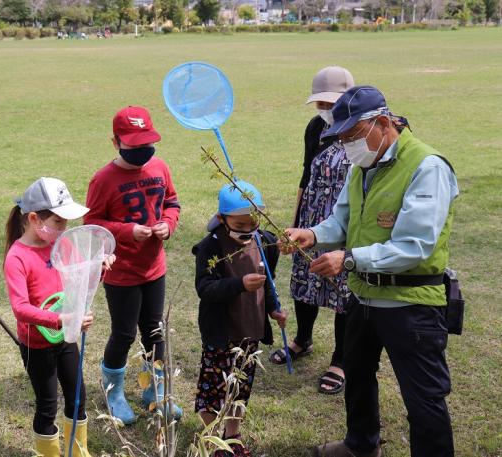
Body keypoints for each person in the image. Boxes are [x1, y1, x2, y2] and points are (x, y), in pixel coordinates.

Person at [279, 86, 458, 457]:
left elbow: (415, 245)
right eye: (341, 139)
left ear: (381, 123)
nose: (347, 147)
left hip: (410, 303)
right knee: (358, 375)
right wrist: (312, 234)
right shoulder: (363, 166)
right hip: (363, 296)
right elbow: (342, 220)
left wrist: (347, 260)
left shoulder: (427, 167)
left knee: (424, 399)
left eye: (351, 137)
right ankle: (361, 445)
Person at [84, 105, 182, 425]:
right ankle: (114, 391)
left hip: (154, 267)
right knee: (124, 333)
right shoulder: (103, 179)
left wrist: (168, 223)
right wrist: (127, 231)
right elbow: (93, 222)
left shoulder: (160, 168)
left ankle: (155, 389)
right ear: (115, 142)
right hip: (122, 272)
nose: (142, 151)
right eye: (133, 145)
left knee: (155, 331)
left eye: (146, 144)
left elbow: (171, 202)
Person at [4, 177, 113, 456]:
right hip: (37, 345)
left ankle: (78, 451)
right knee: (47, 405)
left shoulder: (61, 244)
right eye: (58, 222)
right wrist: (61, 320)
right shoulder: (17, 257)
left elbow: (80, 281)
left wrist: (99, 268)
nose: (65, 229)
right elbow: (20, 308)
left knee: (78, 398)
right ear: (33, 219)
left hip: (66, 337)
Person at [270, 66, 354, 395]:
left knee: (343, 291)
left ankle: (341, 358)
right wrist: (295, 223)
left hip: (345, 221)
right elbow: (306, 178)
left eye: (330, 103)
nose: (325, 110)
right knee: (305, 281)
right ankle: (303, 340)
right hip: (311, 220)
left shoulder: (361, 130)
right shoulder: (316, 128)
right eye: (320, 104)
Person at [193, 182, 287, 457]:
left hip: (251, 330)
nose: (248, 229)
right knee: (214, 389)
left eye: (253, 221)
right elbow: (205, 289)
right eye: (240, 223)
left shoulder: (265, 241)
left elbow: (267, 281)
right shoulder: (210, 246)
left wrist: (273, 309)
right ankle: (210, 440)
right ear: (222, 218)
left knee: (240, 387)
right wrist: (239, 284)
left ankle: (232, 436)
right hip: (221, 332)